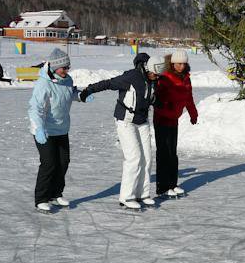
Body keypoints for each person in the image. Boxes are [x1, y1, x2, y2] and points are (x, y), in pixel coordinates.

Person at [79, 53, 166, 210]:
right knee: (134, 158)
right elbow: (109, 83)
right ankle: (127, 197)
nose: (156, 77)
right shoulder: (132, 76)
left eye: (158, 75)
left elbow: (150, 98)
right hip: (126, 121)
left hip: (142, 121)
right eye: (154, 74)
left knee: (147, 158)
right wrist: (89, 90)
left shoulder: (155, 79)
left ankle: (143, 194)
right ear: (148, 69)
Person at [28, 48, 88, 213]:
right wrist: (39, 128)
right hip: (44, 130)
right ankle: (41, 198)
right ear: (55, 67)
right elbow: (35, 108)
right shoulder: (43, 83)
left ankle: (55, 194)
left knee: (63, 162)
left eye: (68, 67)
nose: (67, 70)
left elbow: (70, 94)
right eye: (64, 68)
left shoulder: (67, 80)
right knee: (49, 164)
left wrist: (81, 97)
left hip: (61, 129)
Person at [153, 49, 198, 198]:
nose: (181, 67)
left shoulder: (186, 78)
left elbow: (188, 97)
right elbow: (157, 99)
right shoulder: (165, 77)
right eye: (179, 64)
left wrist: (193, 114)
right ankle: (162, 187)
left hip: (174, 119)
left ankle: (172, 184)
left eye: (184, 64)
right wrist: (167, 106)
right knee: (163, 153)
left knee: (173, 153)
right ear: (172, 63)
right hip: (161, 119)